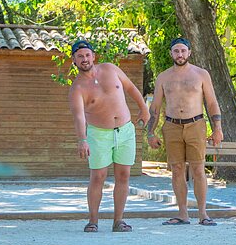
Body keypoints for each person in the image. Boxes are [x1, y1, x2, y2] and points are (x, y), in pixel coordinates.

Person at [67, 39, 149, 233]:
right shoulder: (77, 88)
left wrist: (144, 108)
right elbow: (79, 117)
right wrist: (82, 140)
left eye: (87, 55)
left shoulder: (111, 69)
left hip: (125, 131)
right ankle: (93, 220)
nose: (84, 59)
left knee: (124, 175)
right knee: (98, 176)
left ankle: (118, 221)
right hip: (98, 134)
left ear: (94, 56)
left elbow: (130, 88)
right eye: (80, 57)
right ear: (74, 60)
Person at [146, 37, 224, 226]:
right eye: (176, 51)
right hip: (172, 125)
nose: (179, 54)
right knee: (177, 169)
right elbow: (155, 107)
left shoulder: (201, 74)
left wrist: (217, 129)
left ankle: (203, 214)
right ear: (171, 54)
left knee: (198, 169)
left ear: (189, 52)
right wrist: (150, 132)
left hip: (195, 124)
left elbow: (212, 102)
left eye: (183, 51)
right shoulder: (163, 77)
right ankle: (182, 214)